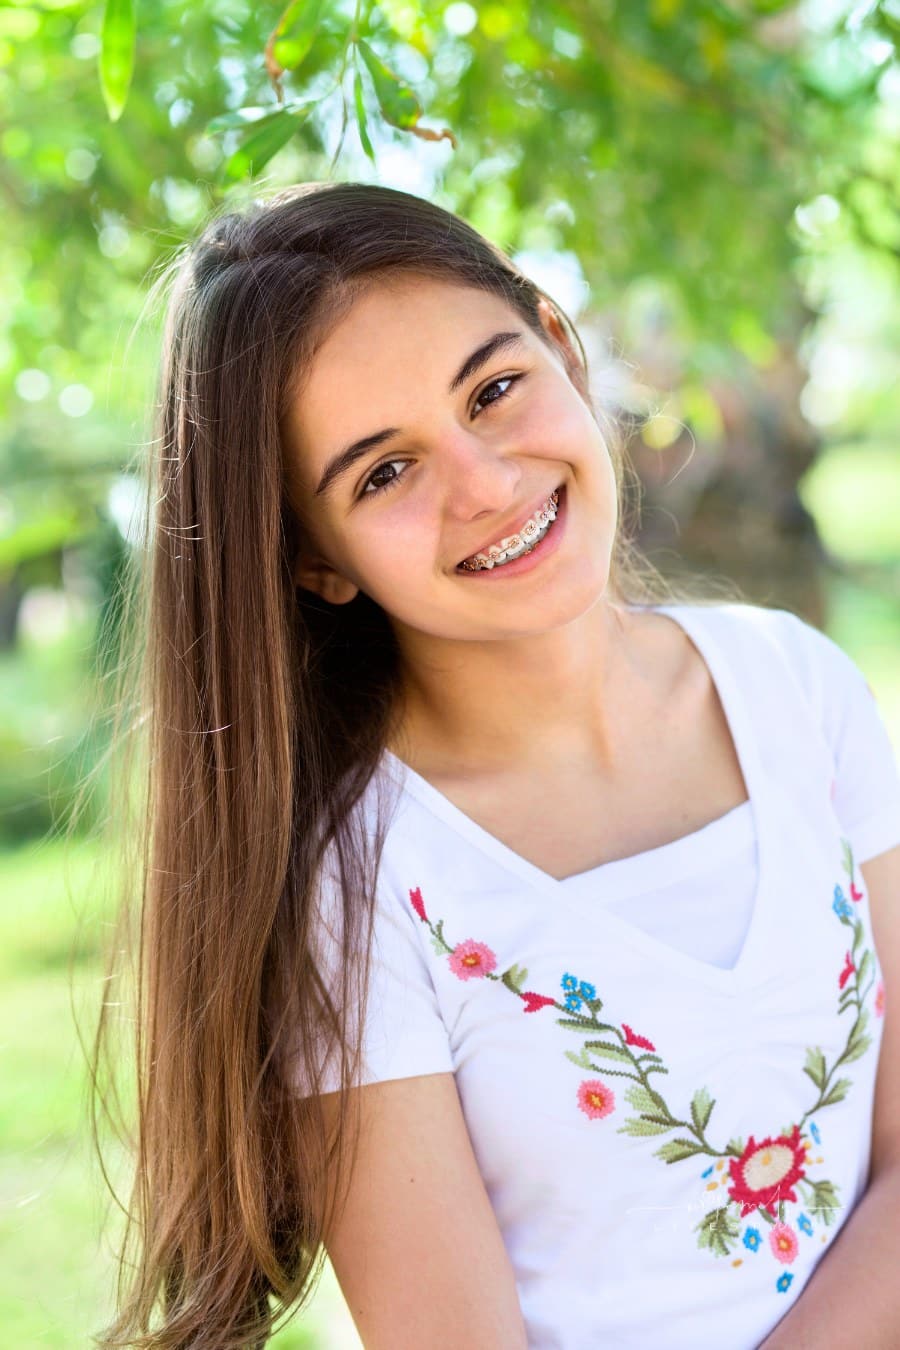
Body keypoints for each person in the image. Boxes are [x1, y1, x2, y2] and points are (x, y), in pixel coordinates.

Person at [91, 181, 900, 1350]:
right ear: (313, 561)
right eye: (382, 473)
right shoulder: (363, 888)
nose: (482, 483)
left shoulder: (799, 691)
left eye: (494, 390)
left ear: (562, 346)